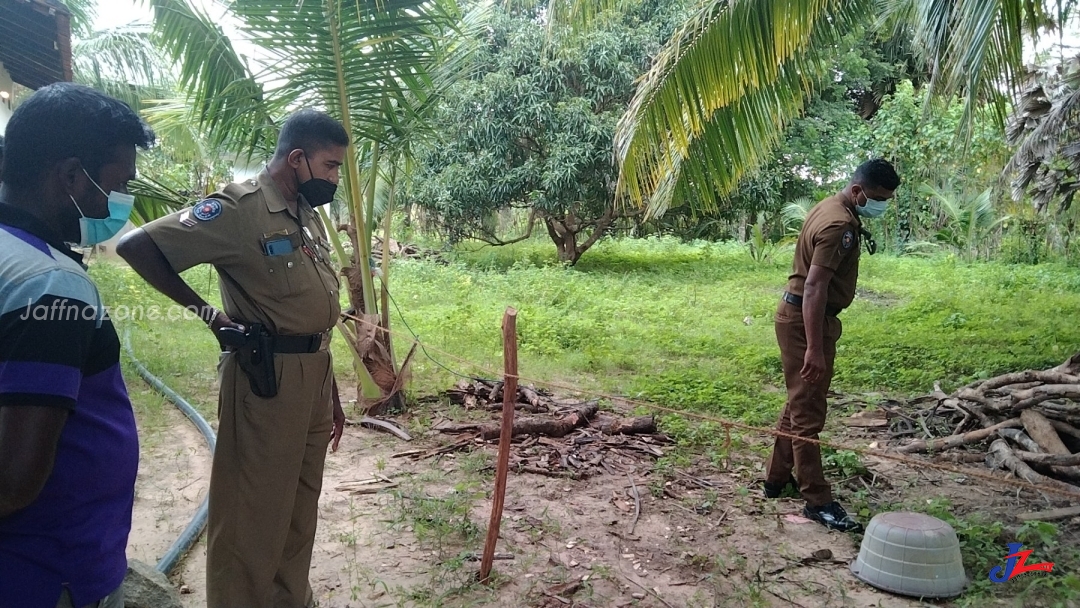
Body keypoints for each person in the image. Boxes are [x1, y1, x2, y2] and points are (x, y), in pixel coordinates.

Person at [117, 109, 348, 608]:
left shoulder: (304, 213)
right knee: (251, 512)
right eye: (330, 167)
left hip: (313, 374)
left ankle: (289, 599)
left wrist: (329, 393)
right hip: (267, 380)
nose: (333, 178)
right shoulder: (239, 209)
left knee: (298, 506)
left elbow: (313, 315)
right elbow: (139, 247)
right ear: (296, 158)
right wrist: (209, 315)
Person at [0, 83, 154, 608]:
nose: (117, 205)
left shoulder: (10, 256)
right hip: (50, 571)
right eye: (115, 186)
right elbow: (14, 478)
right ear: (70, 176)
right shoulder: (48, 283)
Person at [763, 158, 900, 532]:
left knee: (798, 402)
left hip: (800, 317)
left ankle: (775, 480)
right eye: (878, 198)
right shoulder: (839, 222)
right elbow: (814, 286)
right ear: (858, 192)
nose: (881, 205)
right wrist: (814, 347)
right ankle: (817, 500)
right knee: (808, 414)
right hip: (807, 322)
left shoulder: (830, 205)